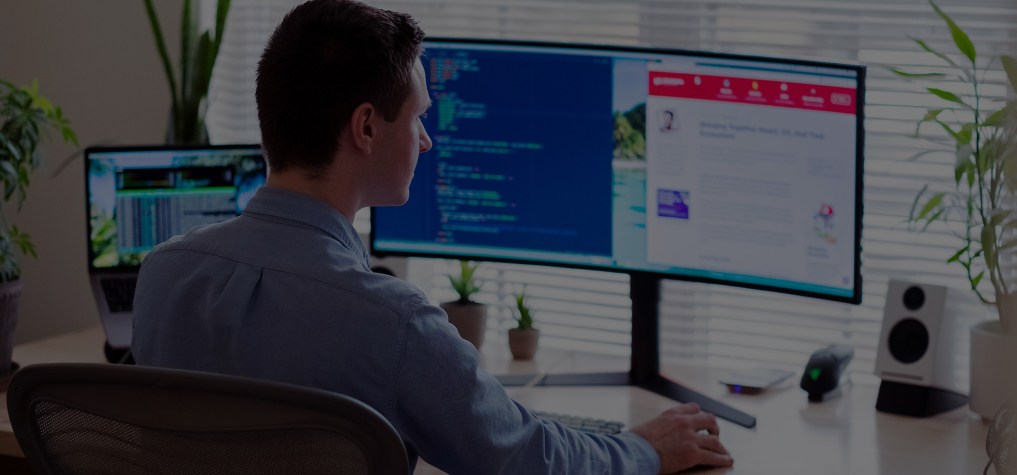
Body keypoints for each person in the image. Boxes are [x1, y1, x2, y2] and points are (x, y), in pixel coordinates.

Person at [131, 1, 733, 473]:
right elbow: (528, 459)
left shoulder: (163, 275)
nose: (426, 140)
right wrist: (646, 449)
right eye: (418, 116)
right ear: (366, 127)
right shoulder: (391, 322)